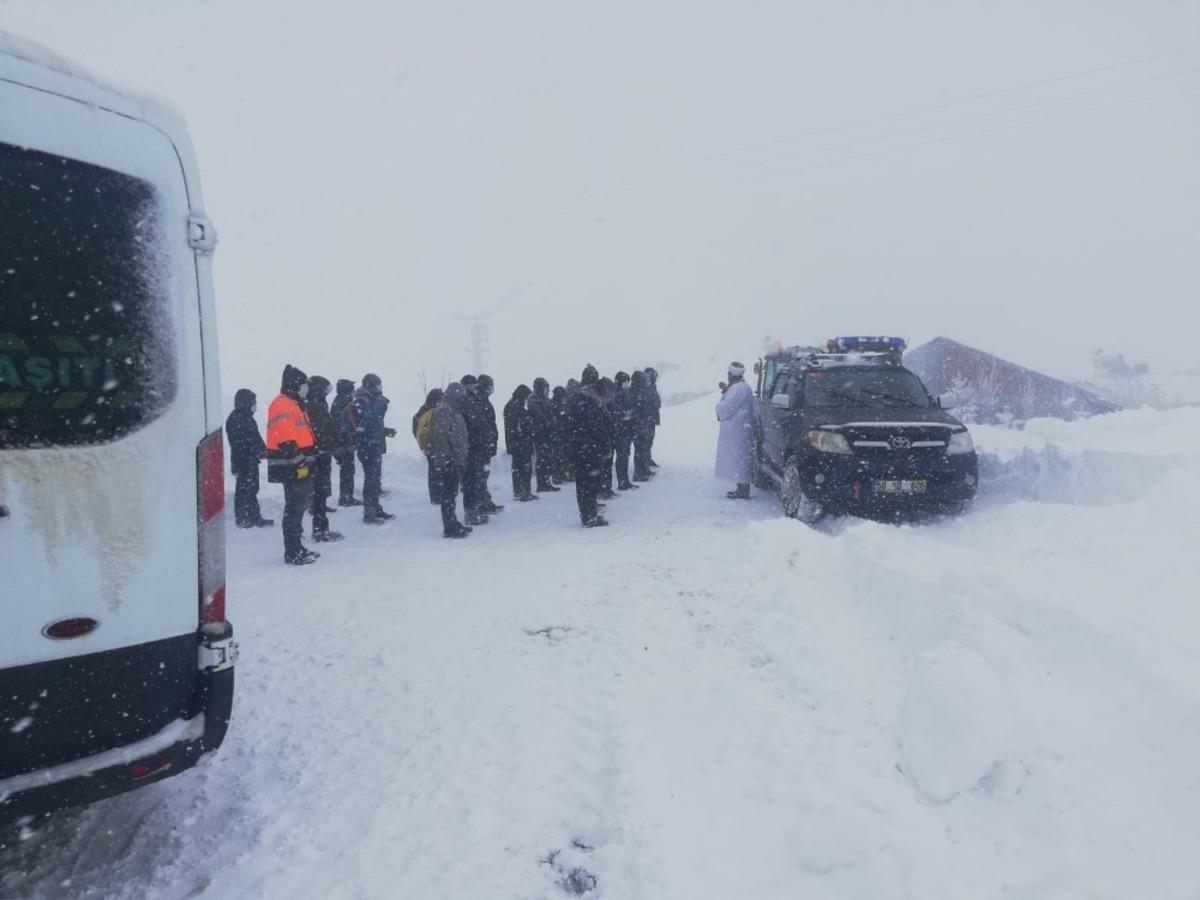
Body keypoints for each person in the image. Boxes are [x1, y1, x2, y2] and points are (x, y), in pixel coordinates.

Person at [266, 364, 319, 564]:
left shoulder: (293, 403)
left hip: (298, 464)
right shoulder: (282, 405)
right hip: (292, 466)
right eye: (304, 384)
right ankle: (293, 551)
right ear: (295, 384)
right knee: (294, 508)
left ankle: (297, 547)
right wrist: (299, 463)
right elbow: (285, 440)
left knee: (297, 507)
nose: (306, 388)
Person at [568, 369, 614, 527]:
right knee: (587, 484)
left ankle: (590, 513)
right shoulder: (587, 402)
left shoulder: (584, 398)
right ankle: (589, 516)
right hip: (587, 450)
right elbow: (596, 428)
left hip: (584, 449)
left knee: (588, 484)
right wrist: (605, 445)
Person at [429, 382, 472, 538]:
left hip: (456, 459)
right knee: (448, 494)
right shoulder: (443, 411)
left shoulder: (454, 411)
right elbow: (440, 437)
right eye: (461, 397)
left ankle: (453, 522)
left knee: (452, 493)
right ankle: (449, 527)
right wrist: (446, 459)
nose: (463, 400)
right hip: (449, 461)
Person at [225, 388, 273, 528]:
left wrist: (264, 451)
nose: (255, 405)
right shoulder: (236, 419)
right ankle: (242, 518)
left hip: (250, 460)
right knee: (243, 490)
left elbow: (255, 438)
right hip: (242, 461)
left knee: (252, 489)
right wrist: (257, 452)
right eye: (253, 402)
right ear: (245, 403)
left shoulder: (247, 418)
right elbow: (242, 443)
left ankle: (255, 517)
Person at [354, 373, 397, 523]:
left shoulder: (371, 400)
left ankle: (376, 508)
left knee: (375, 479)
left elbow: (373, 423)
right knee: (370, 480)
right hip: (367, 446)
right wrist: (381, 403)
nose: (380, 388)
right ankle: (369, 513)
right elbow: (369, 420)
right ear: (369, 386)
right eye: (377, 385)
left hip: (374, 444)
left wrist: (385, 431)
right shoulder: (362, 400)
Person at [305, 376, 344, 543]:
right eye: (326, 389)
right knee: (319, 490)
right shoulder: (316, 406)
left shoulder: (313, 404)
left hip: (317, 453)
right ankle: (320, 530)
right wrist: (331, 446)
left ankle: (320, 526)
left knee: (319, 490)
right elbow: (322, 431)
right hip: (319, 454)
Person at [716, 362, 756, 499]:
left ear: (731, 375)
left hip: (738, 429)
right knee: (740, 458)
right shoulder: (741, 388)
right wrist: (726, 390)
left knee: (739, 459)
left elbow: (727, 407)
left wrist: (718, 406)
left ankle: (743, 490)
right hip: (740, 429)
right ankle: (742, 488)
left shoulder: (738, 389)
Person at [503, 384, 538, 502]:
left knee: (521, 467)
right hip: (520, 443)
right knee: (522, 467)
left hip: (519, 442)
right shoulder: (515, 406)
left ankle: (523, 491)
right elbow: (517, 426)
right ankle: (522, 491)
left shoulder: (514, 405)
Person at [330, 378, 361, 507]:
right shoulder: (345, 402)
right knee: (347, 470)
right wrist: (351, 438)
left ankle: (346, 496)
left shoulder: (339, 401)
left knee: (346, 470)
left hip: (340, 442)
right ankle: (346, 497)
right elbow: (345, 424)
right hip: (344, 443)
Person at [476, 374, 504, 514]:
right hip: (482, 445)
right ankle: (481, 504)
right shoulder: (480, 401)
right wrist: (488, 442)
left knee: (483, 475)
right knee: (481, 475)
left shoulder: (483, 400)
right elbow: (484, 425)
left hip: (485, 444)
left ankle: (485, 502)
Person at [527, 377, 560, 493]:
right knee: (542, 459)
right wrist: (549, 424)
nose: (548, 390)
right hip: (540, 433)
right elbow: (540, 417)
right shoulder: (534, 400)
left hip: (546, 433)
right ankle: (542, 483)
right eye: (546, 387)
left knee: (546, 459)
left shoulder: (544, 399)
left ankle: (546, 482)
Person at [413, 388, 444, 505]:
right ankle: (436, 496)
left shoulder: (425, 409)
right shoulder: (430, 411)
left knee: (435, 471)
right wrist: (426, 444)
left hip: (431, 446)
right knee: (435, 471)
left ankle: (437, 495)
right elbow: (419, 430)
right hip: (432, 446)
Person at [609, 372, 638, 492]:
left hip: (623, 429)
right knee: (622, 456)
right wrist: (627, 416)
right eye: (626, 381)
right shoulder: (617, 394)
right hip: (621, 430)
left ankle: (623, 481)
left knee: (623, 456)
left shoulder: (620, 393)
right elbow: (617, 412)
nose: (627, 384)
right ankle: (622, 481)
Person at [630, 370, 657, 482]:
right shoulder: (636, 392)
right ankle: (639, 473)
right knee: (640, 449)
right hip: (639, 424)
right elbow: (638, 408)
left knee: (643, 448)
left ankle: (642, 470)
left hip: (643, 423)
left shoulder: (639, 391)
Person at [550, 385, 573, 483]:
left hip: (562, 433)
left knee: (562, 455)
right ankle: (558, 475)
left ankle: (561, 474)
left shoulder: (557, 404)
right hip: (559, 433)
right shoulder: (555, 405)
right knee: (558, 455)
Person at [644, 366, 662, 468]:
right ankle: (645, 460)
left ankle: (648, 458)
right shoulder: (646, 387)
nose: (656, 378)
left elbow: (656, 400)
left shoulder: (652, 386)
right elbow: (651, 402)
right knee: (646, 441)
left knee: (650, 439)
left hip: (651, 417)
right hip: (647, 418)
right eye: (654, 376)